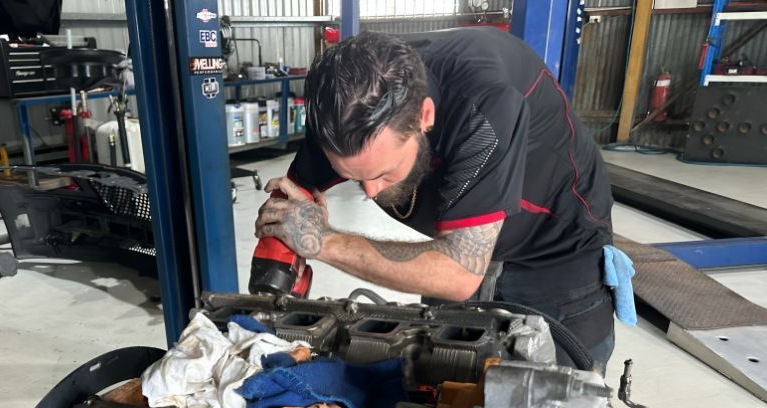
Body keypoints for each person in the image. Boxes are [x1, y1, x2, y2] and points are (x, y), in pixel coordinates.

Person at [254, 28, 635, 371]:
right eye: (355, 177)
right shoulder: (346, 111)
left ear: (425, 116)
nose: (370, 192)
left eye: (383, 173)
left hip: (554, 248)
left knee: (555, 393)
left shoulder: (482, 107)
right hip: (460, 240)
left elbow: (458, 274)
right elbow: (292, 203)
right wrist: (278, 280)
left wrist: (323, 241)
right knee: (437, 375)